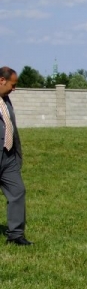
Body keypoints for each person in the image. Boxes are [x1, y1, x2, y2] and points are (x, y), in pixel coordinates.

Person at [0, 67, 32, 246]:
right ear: (1, 81)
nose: (14, 88)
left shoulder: (6, 101)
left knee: (17, 191)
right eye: (13, 84)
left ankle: (16, 235)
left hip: (9, 156)